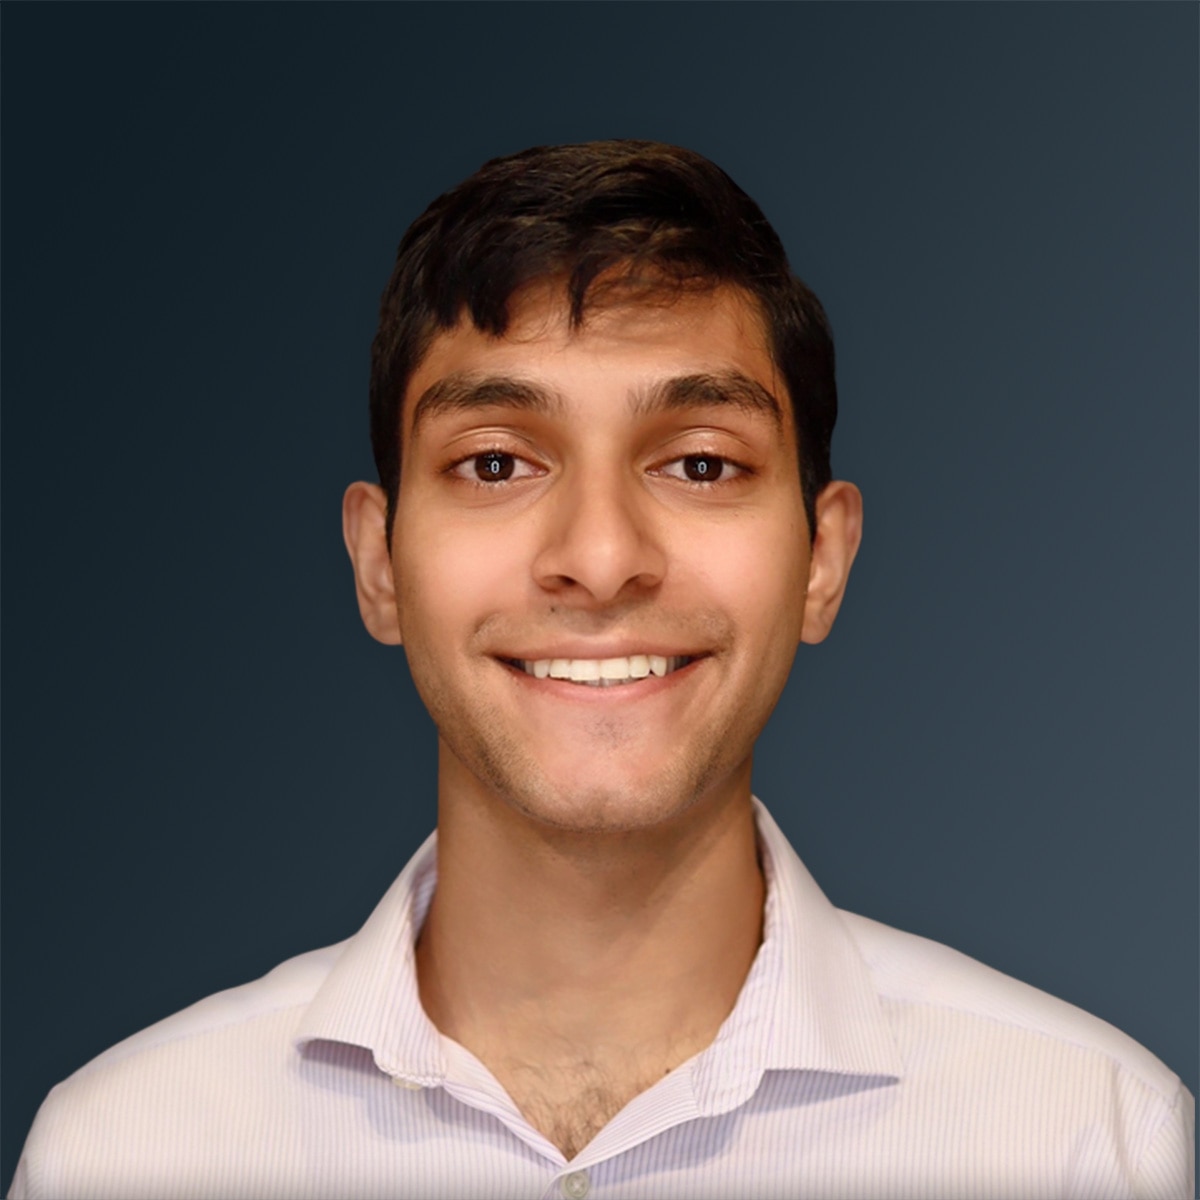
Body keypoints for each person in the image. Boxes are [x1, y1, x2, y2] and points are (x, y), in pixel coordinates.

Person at [9, 140, 1192, 1200]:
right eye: (493, 464)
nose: (600, 558)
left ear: (822, 558)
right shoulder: (127, 1154)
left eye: (698, 465)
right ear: (378, 561)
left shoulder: (1096, 1144)